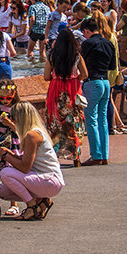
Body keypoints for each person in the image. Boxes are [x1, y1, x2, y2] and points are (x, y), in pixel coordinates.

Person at [0, 102, 65, 219]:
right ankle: (41, 201)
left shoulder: (32, 135)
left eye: (13, 117)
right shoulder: (34, 131)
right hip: (46, 179)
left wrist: (4, 155)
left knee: (5, 173)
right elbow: (26, 160)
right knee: (3, 191)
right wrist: (8, 152)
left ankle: (32, 206)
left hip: (50, 180)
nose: (12, 120)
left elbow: (25, 167)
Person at [45, 27, 88, 166]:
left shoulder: (52, 56)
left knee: (56, 123)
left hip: (56, 90)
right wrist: (75, 78)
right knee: (74, 123)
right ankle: (76, 157)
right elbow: (85, 74)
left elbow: (46, 76)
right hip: (72, 90)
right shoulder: (76, 55)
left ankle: (55, 155)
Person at [79, 15, 115, 165]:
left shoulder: (87, 44)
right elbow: (113, 66)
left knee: (91, 119)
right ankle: (104, 155)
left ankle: (96, 155)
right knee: (103, 120)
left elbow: (79, 61)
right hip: (105, 82)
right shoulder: (108, 43)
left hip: (92, 82)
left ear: (86, 31)